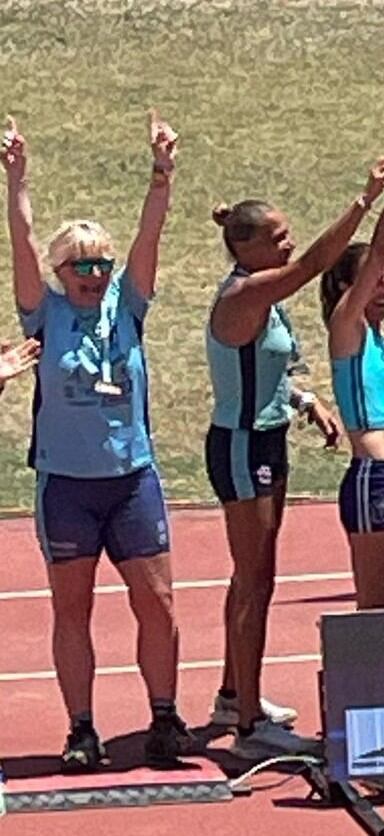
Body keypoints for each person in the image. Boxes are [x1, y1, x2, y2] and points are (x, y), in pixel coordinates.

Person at [3, 112, 196, 768]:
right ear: (61, 270)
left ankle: (165, 717)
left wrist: (161, 173)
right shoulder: (45, 312)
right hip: (67, 486)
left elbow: (151, 236)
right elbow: (22, 243)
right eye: (81, 265)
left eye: (102, 264)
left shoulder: (128, 306)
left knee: (159, 601)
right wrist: (17, 183)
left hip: (131, 479)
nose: (94, 273)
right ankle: (81, 729)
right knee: (72, 610)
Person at [206, 145, 384, 758]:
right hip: (240, 446)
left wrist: (303, 397)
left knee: (255, 574)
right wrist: (365, 199)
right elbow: (319, 262)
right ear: (248, 247)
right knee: (255, 578)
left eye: (288, 235)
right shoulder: (245, 294)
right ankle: (244, 731)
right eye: (279, 237)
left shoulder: (264, 297)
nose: (288, 244)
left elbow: (262, 369)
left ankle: (237, 694)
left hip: (266, 438)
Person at [320, 121, 384, 609]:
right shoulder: (347, 326)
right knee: (377, 607)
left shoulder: (379, 342)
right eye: (377, 282)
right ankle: (352, 685)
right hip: (373, 474)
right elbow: (380, 250)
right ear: (348, 289)